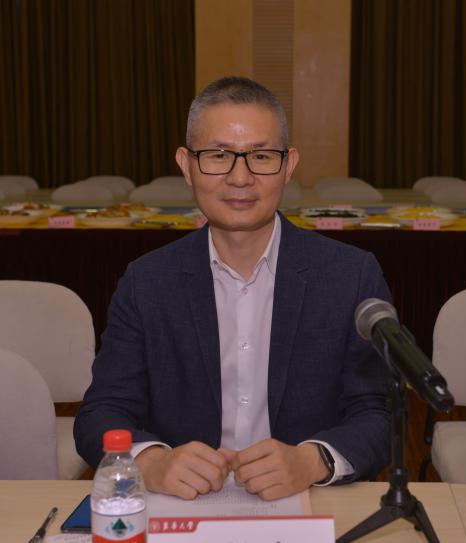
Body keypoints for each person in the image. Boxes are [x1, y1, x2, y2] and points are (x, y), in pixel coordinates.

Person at [75, 76, 391, 501]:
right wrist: (152, 462)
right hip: (183, 503)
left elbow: (378, 412)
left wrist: (313, 460)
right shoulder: (147, 281)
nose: (240, 178)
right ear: (186, 166)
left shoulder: (349, 275)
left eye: (261, 156)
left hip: (307, 500)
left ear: (289, 165)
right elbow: (101, 412)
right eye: (218, 156)